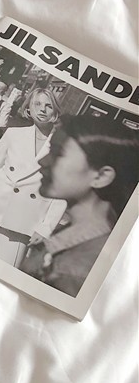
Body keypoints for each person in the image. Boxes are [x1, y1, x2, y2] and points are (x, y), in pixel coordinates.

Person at [21, 115, 139, 296]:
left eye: (58, 153)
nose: (42, 161)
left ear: (101, 177)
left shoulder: (73, 271)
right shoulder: (81, 237)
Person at [0, 87, 66, 267]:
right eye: (37, 104)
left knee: (5, 273)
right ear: (28, 108)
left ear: (55, 111)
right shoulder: (13, 134)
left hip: (24, 216)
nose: (42, 109)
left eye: (48, 106)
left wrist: (45, 228)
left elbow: (62, 192)